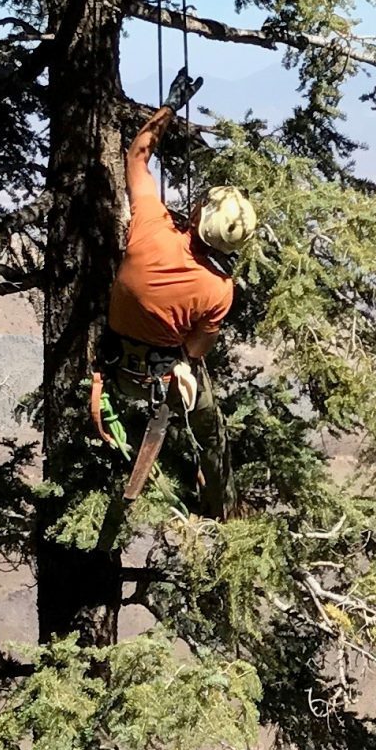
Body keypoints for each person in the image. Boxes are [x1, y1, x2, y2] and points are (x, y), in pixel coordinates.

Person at [91, 69, 257, 519]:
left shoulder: (151, 227)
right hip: (160, 383)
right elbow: (196, 349)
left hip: (112, 367)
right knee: (211, 428)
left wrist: (169, 108)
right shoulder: (218, 289)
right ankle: (221, 508)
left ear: (200, 214)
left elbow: (137, 157)